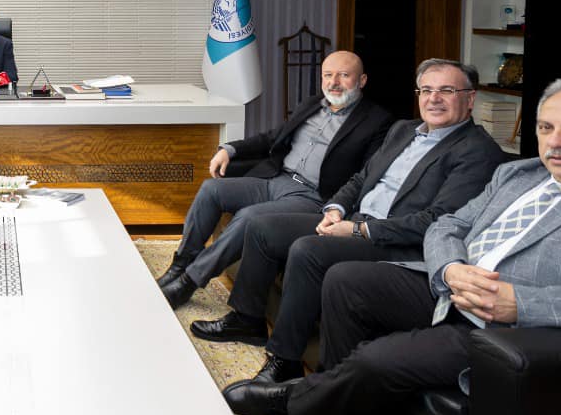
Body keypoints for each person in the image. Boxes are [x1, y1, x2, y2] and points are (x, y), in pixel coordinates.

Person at [237, 77, 561, 415]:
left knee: (378, 358)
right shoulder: (519, 173)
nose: (556, 142)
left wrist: (522, 304)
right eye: (546, 128)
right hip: (449, 287)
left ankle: (304, 399)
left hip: (504, 327)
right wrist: (449, 268)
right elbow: (448, 225)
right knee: (346, 280)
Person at [208, 59, 506, 411]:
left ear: (470, 99)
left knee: (308, 251)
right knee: (262, 227)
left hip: (398, 243)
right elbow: (362, 178)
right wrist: (335, 208)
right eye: (426, 90)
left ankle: (285, 360)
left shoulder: (477, 151)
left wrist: (359, 230)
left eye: (447, 91)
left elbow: (437, 221)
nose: (434, 98)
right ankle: (247, 320)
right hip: (355, 220)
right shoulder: (404, 130)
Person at [159, 51, 394, 308]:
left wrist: (340, 207)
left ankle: (188, 282)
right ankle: (180, 265)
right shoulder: (312, 104)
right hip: (275, 179)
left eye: (344, 75)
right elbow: (273, 137)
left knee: (249, 217)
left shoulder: (377, 121)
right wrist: (230, 149)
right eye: (328, 75)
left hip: (312, 196)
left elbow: (367, 175)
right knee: (211, 189)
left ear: (362, 80)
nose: (333, 82)